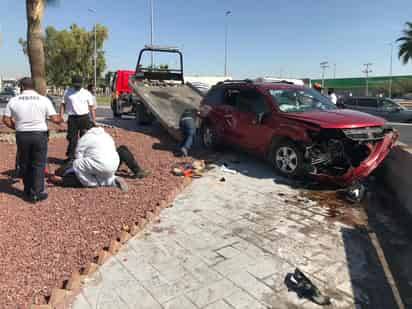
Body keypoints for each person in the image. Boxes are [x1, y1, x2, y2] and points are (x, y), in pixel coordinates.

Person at [2, 77, 62, 202]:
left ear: (21, 87)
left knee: (25, 162)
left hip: (22, 135)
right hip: (39, 134)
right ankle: (37, 192)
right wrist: (60, 119)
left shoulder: (14, 100)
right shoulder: (43, 100)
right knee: (39, 163)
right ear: (33, 87)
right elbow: (55, 119)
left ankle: (27, 189)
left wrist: (16, 126)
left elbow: (6, 119)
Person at [50, 122, 133, 191]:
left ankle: (92, 183)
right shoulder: (106, 135)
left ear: (85, 130)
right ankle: (112, 181)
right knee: (101, 172)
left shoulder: (86, 137)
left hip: (101, 164)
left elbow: (78, 156)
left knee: (77, 164)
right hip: (114, 164)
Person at [60, 76, 96, 162]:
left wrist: (94, 120)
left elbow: (91, 108)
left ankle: (85, 157)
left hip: (84, 118)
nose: (77, 86)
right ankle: (71, 158)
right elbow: (63, 104)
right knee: (72, 139)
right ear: (72, 84)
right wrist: (60, 116)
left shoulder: (87, 93)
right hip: (72, 119)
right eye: (76, 85)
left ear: (82, 84)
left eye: (79, 85)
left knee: (85, 138)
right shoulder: (68, 92)